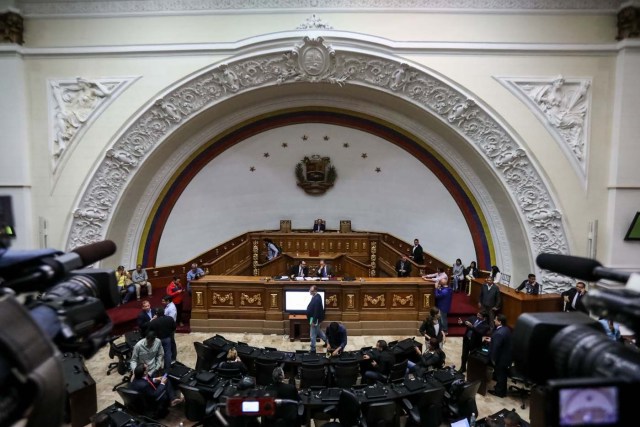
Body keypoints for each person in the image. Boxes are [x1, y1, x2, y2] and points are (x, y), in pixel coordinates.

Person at [484, 314, 512, 398]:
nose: (494, 320)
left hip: (501, 359)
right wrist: (492, 340)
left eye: (495, 320)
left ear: (500, 322)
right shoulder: (506, 329)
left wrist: (493, 359)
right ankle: (501, 389)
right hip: (507, 356)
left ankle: (499, 392)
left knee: (501, 375)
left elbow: (496, 349)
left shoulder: (499, 333)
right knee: (503, 375)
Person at [306, 284, 327, 353]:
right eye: (310, 290)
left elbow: (316, 311)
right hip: (313, 318)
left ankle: (313, 349)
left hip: (314, 319)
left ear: (315, 291)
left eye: (311, 291)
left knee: (312, 335)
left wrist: (313, 321)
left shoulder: (317, 299)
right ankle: (327, 341)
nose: (310, 292)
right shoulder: (316, 296)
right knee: (318, 331)